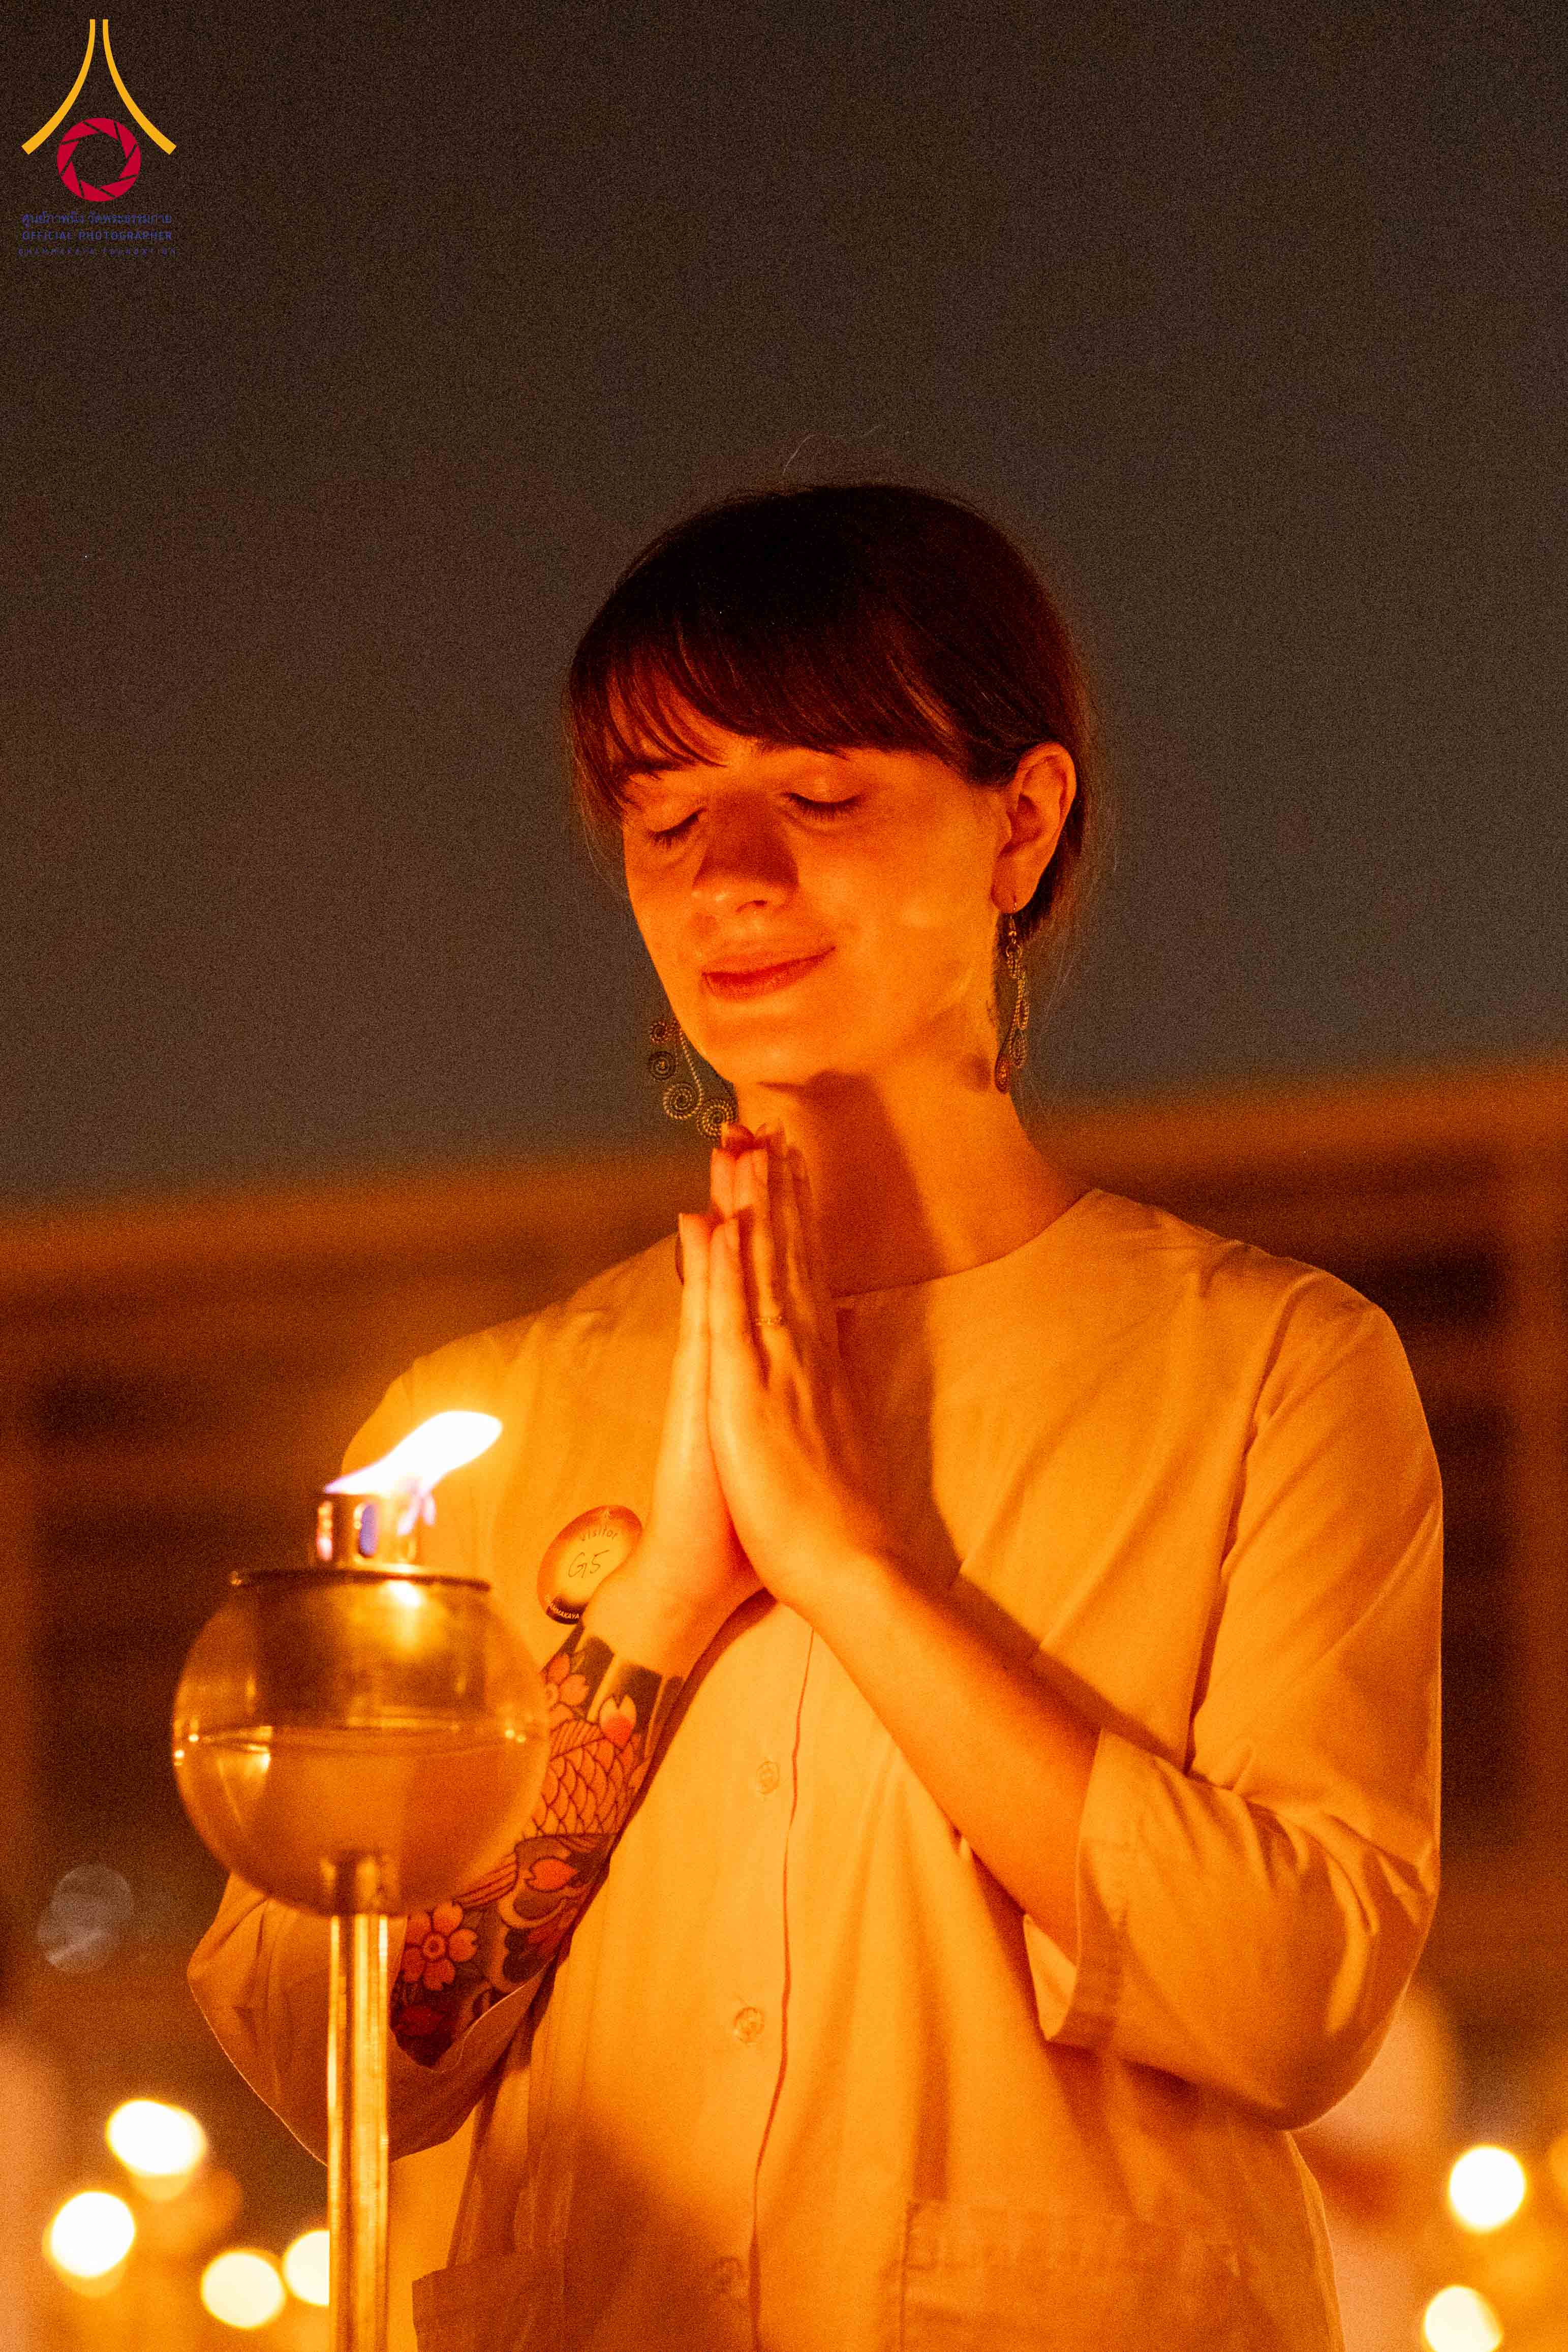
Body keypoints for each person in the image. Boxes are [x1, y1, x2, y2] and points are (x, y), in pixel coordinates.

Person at [188, 481, 1443, 2352]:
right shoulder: (473, 1420)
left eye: (825, 796)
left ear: (1022, 821)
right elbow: (326, 2054)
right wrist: (654, 1612)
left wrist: (850, 1565)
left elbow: (1293, 1992)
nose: (731, 879)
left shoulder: (1268, 1370)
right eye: (666, 816)